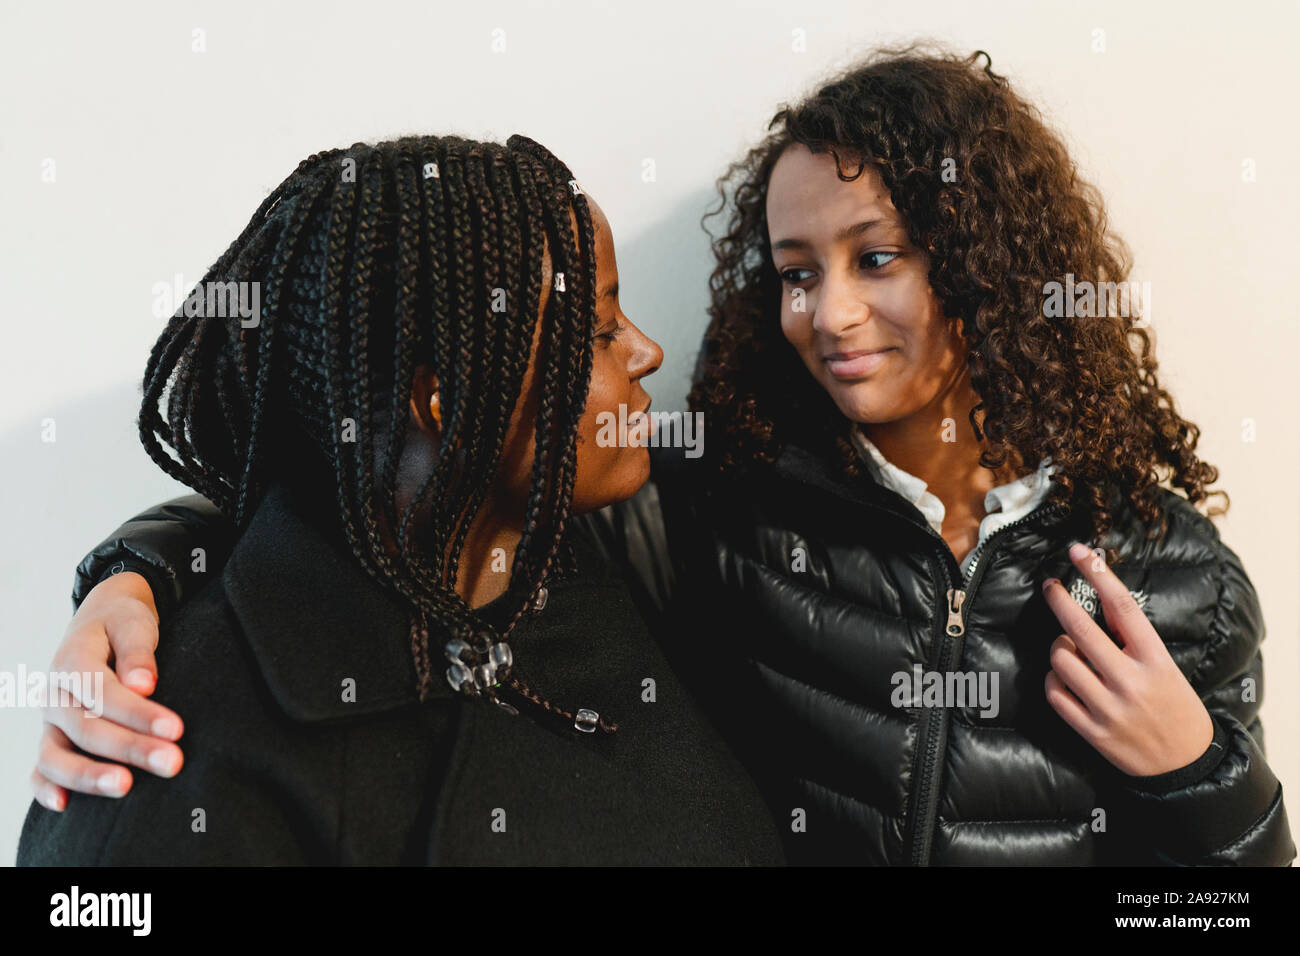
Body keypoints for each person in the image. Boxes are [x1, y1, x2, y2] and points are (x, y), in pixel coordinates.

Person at [29, 48, 1294, 866]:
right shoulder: (714, 518)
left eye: (878, 255)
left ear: (984, 257)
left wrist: (1204, 779)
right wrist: (137, 571)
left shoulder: (1173, 581)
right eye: (796, 273)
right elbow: (379, 497)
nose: (831, 315)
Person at [17, 133, 785, 865]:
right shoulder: (170, 763)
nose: (648, 352)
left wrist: (137, 561)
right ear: (446, 402)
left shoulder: (575, 556)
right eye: (598, 329)